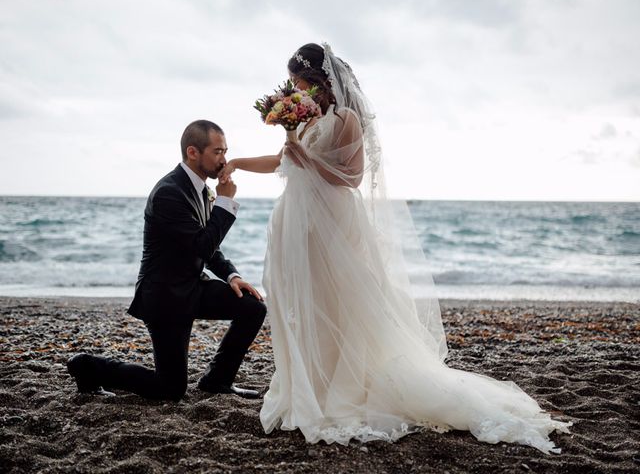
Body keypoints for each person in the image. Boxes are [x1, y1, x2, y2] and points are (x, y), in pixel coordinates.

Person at [219, 43, 572, 453]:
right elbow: (284, 161)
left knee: (339, 303)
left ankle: (341, 390)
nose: (295, 89)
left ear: (318, 81)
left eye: (299, 82)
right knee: (306, 303)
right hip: (297, 221)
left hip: (332, 222)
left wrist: (302, 155)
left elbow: (349, 178)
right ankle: (310, 385)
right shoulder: (306, 120)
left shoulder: (345, 119)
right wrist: (241, 162)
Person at [67, 120, 266, 401]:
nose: (224, 160)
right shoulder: (169, 193)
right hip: (165, 297)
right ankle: (87, 365)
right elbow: (202, 244)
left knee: (253, 307)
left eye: (225, 151)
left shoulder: (200, 189)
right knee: (170, 388)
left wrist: (232, 276)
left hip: (193, 287)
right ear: (193, 152)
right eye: (218, 152)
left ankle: (217, 381)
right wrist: (225, 203)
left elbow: (208, 247)